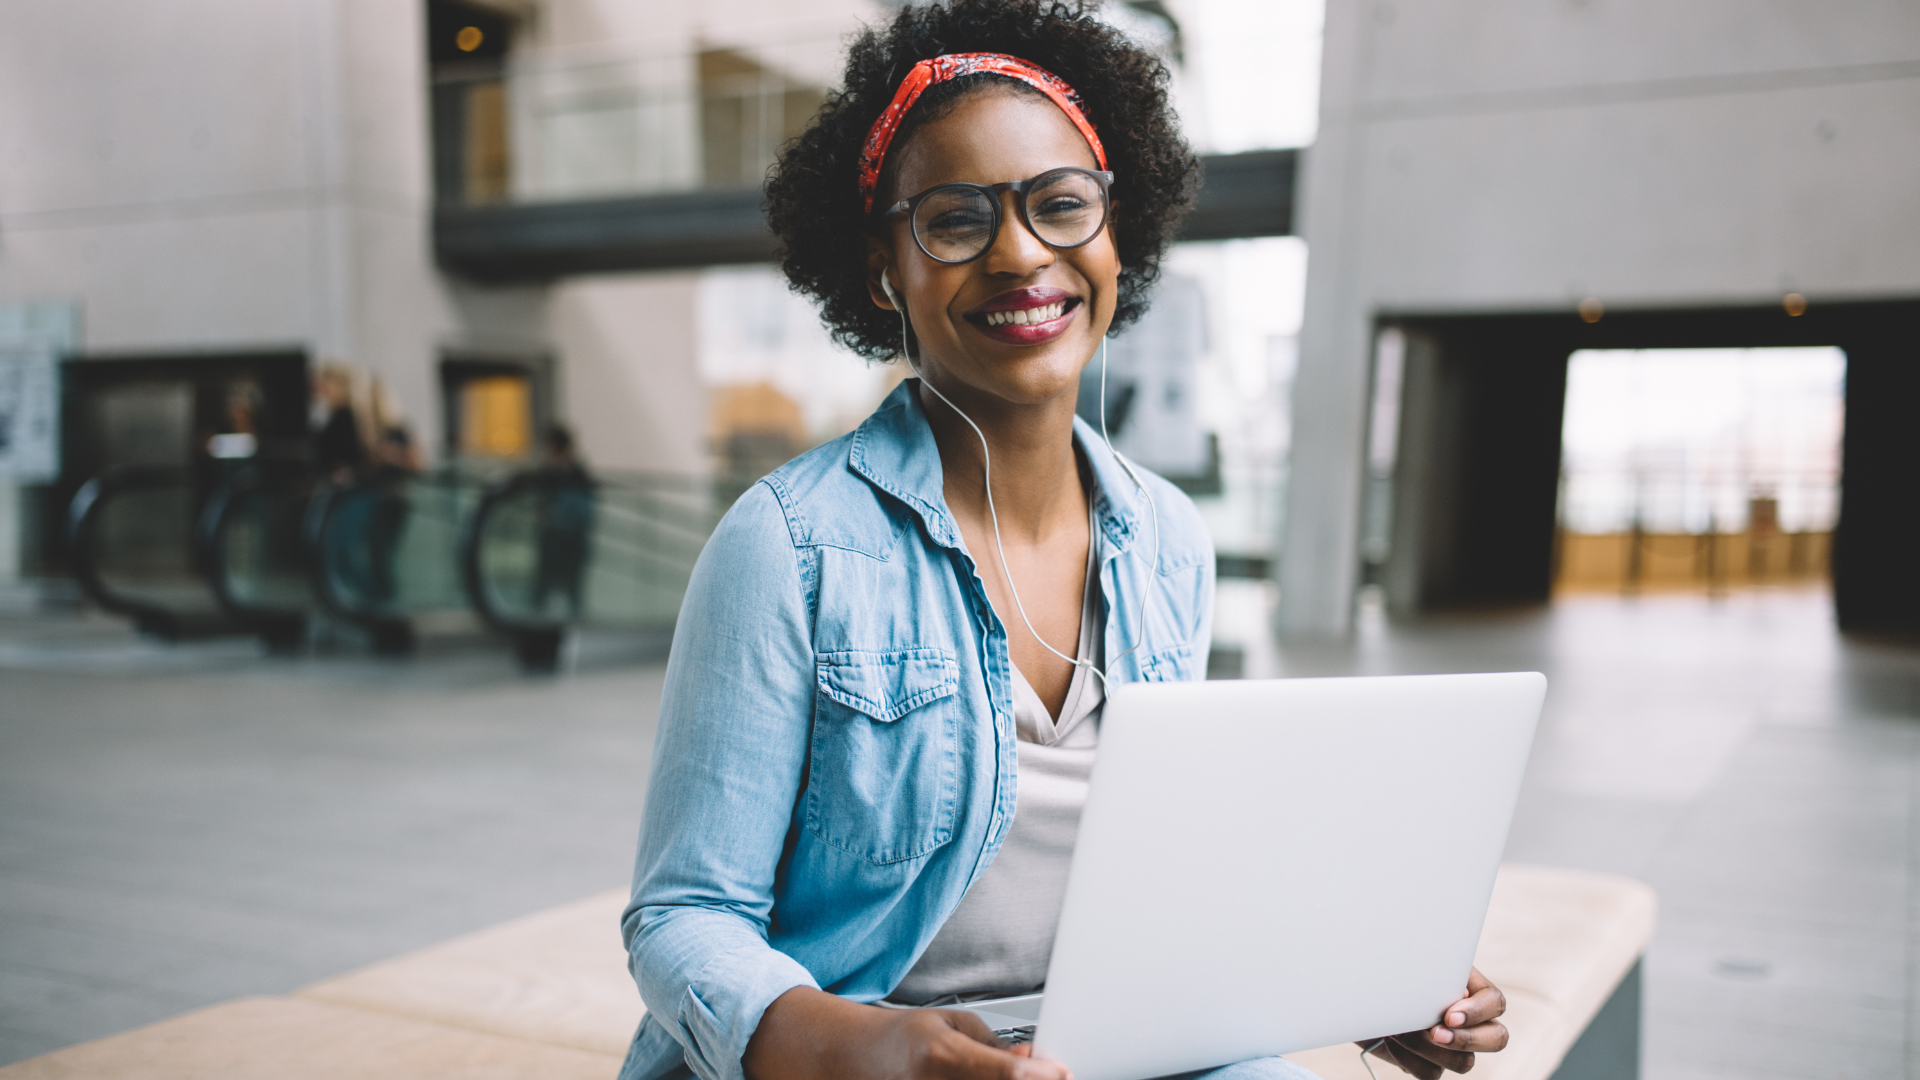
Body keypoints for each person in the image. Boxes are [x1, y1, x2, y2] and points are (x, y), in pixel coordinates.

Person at [618, 5, 1510, 1080]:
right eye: (955, 220)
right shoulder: (789, 548)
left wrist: (1364, 974)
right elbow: (682, 917)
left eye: (1061, 206)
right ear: (881, 269)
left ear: (1116, 237)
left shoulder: (1168, 538)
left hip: (1106, 1044)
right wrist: (868, 1046)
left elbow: (1163, 872)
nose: (1020, 253)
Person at [533, 425, 594, 617]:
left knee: (571, 588)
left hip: (569, 541)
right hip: (554, 541)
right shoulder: (550, 474)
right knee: (544, 589)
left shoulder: (576, 474)